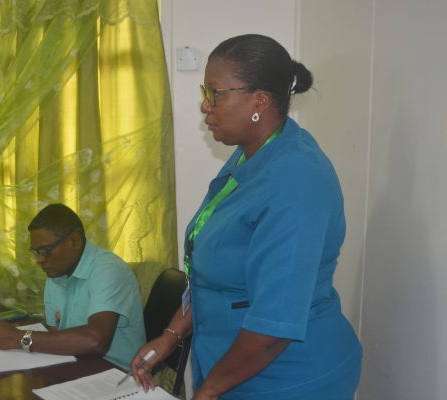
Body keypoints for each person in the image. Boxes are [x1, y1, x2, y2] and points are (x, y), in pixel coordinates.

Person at [130, 34, 362, 399]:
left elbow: (274, 325)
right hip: (232, 368)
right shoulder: (252, 156)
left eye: (215, 93)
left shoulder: (296, 179)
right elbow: (215, 275)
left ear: (260, 101)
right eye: (204, 93)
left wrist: (208, 392)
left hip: (289, 379)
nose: (205, 106)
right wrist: (172, 334)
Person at [0, 203, 146, 370]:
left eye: (45, 250)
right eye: (36, 252)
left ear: (74, 241)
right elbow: (55, 333)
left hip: (118, 376)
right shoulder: (57, 272)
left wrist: (18, 338)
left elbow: (96, 340)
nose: (39, 260)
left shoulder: (108, 269)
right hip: (77, 365)